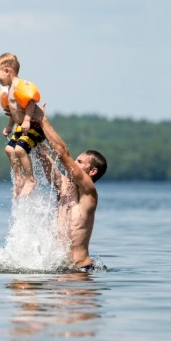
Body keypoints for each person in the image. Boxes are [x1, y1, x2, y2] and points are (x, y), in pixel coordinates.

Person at [36, 115, 107, 271]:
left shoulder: (89, 193)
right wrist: (33, 132)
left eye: (80, 162)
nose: (74, 163)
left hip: (80, 272)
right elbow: (44, 159)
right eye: (75, 160)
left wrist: (41, 119)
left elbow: (62, 154)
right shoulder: (64, 187)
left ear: (92, 171)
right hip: (61, 270)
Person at [0, 53, 46, 197]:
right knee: (9, 150)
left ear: (7, 71)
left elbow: (30, 103)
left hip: (32, 126)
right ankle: (19, 178)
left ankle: (30, 179)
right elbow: (13, 111)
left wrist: (28, 119)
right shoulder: (9, 89)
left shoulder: (19, 87)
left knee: (20, 150)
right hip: (20, 127)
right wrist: (9, 126)